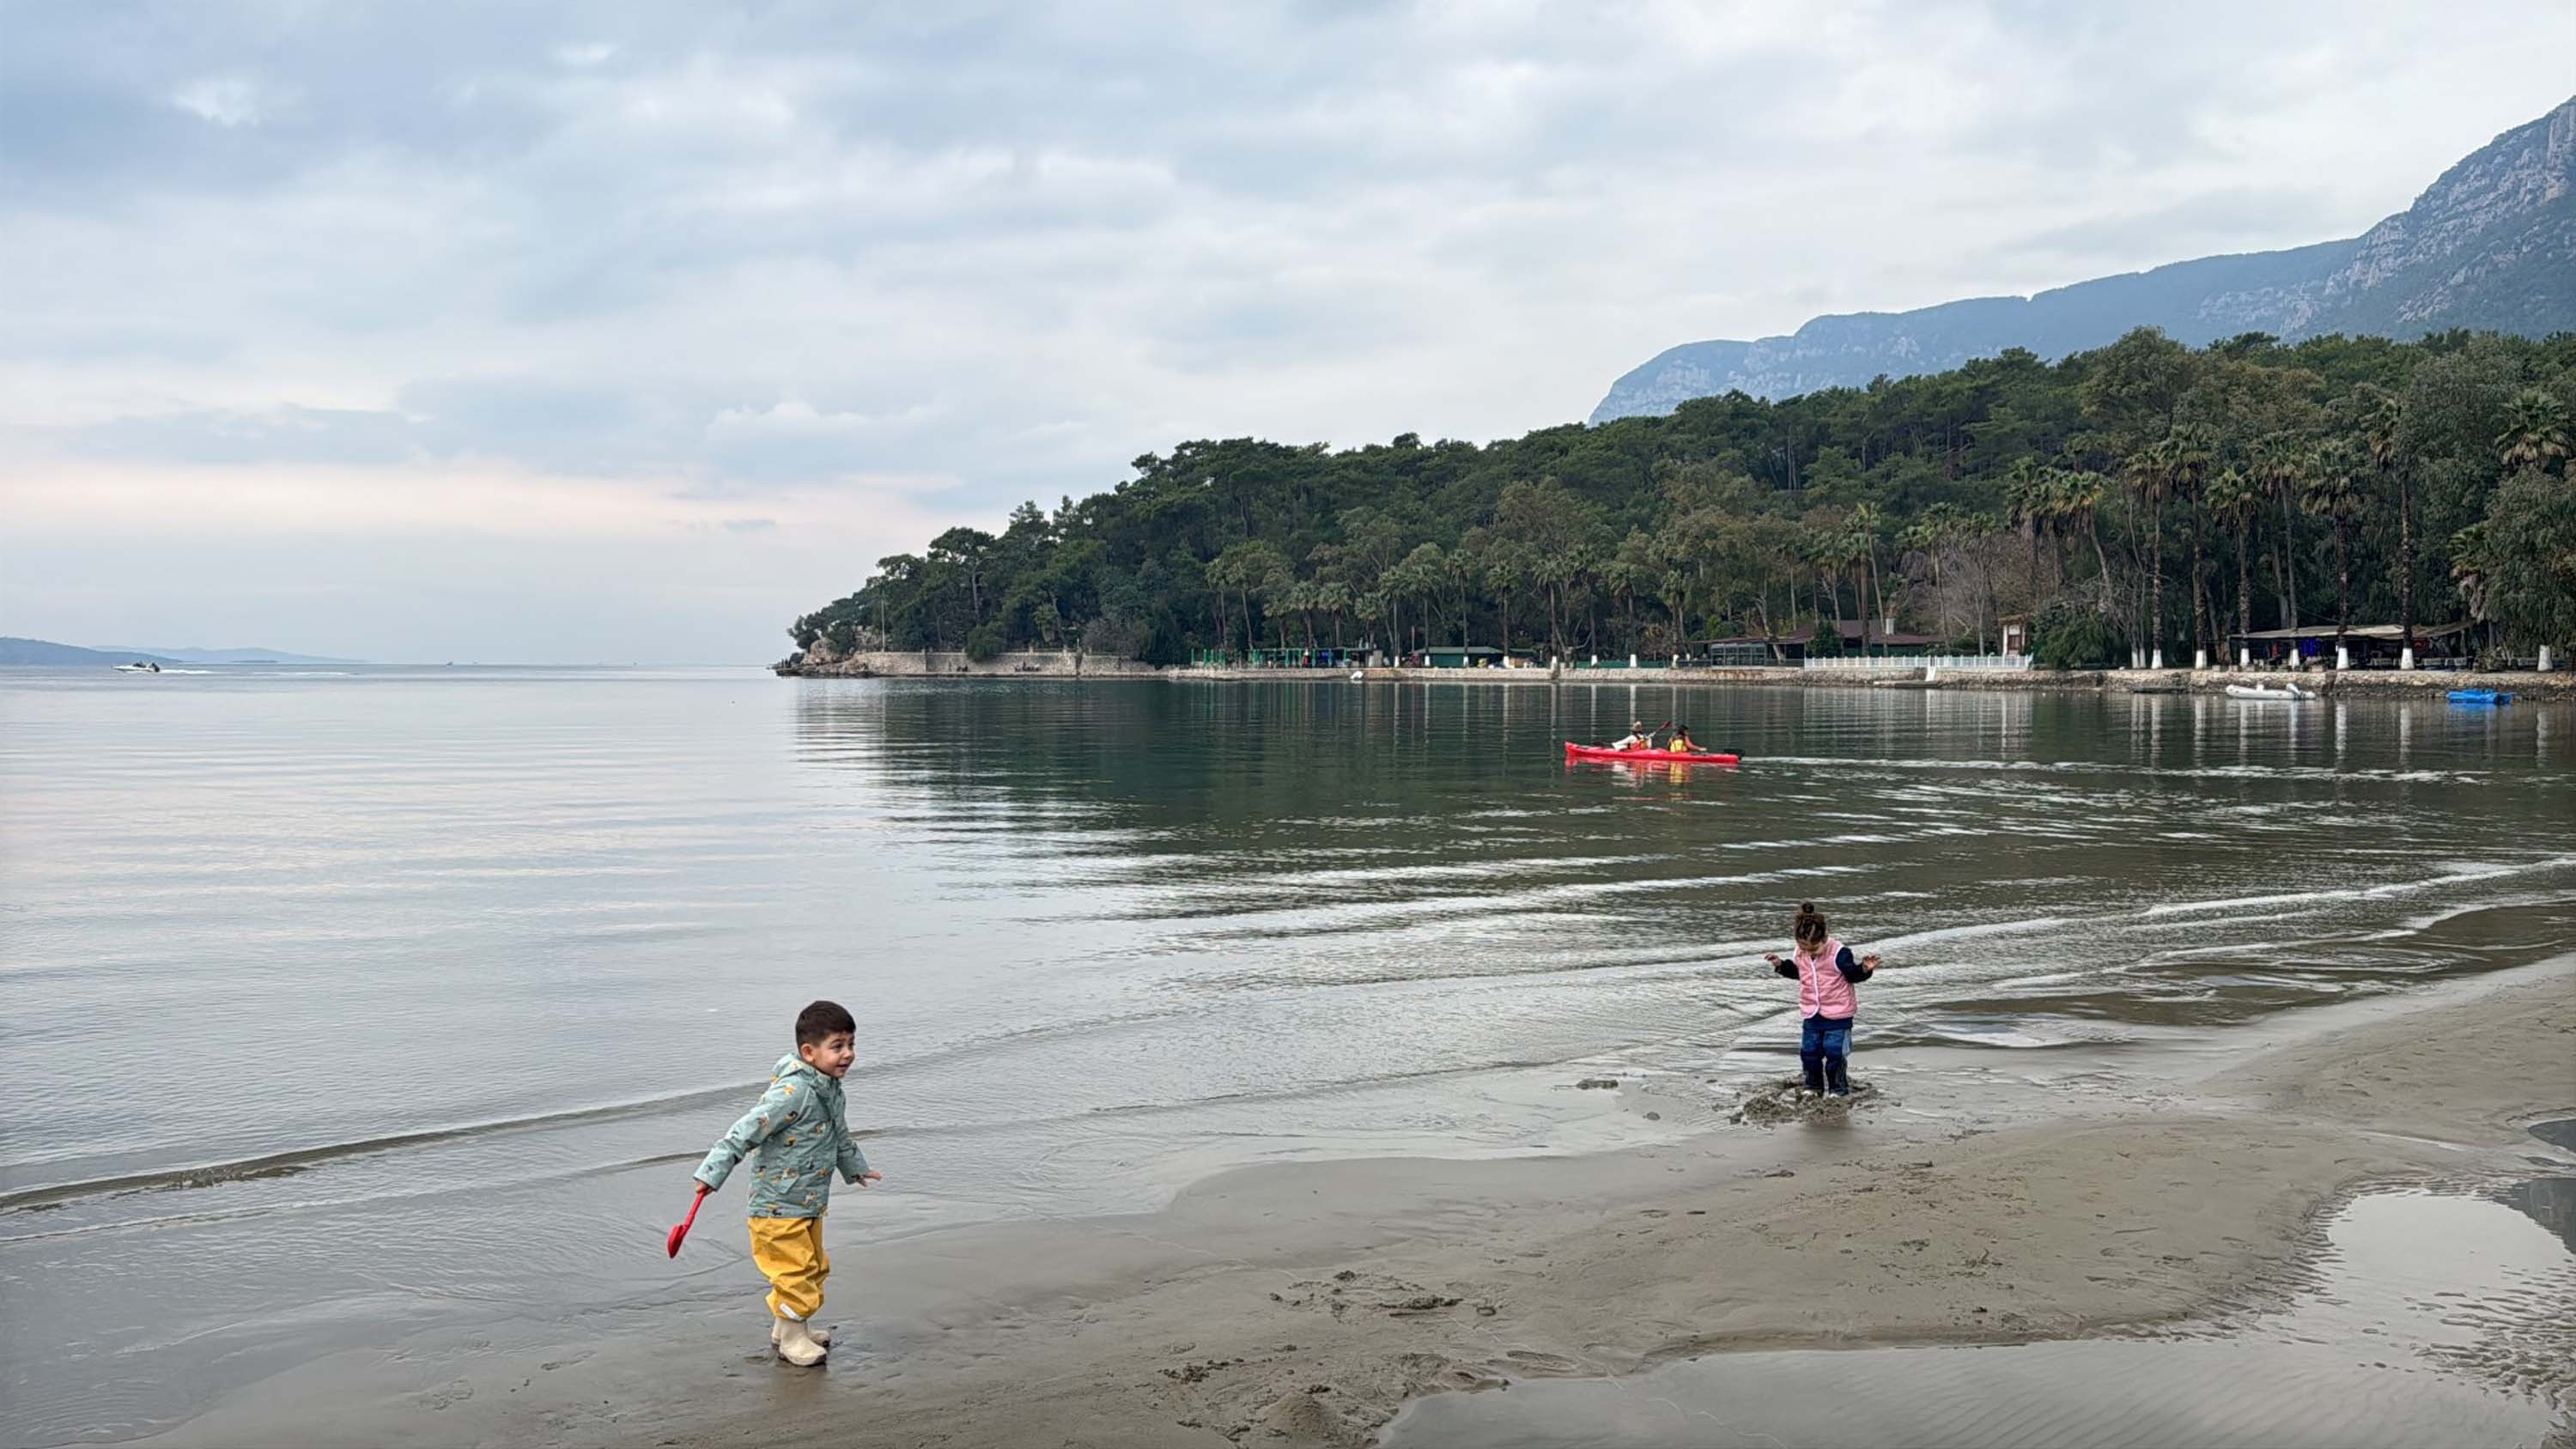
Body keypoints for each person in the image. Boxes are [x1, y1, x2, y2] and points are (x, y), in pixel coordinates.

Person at [691, 1000, 882, 1366]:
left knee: (812, 1266)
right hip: (776, 1205)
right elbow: (745, 1131)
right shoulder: (793, 1092)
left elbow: (839, 1136)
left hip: (807, 1200)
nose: (848, 1055)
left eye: (851, 1045)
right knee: (794, 1271)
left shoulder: (829, 1089)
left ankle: (788, 1329)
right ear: (809, 1052)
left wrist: (856, 1168)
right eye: (837, 1046)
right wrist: (711, 1173)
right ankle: (793, 1340)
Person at [1763, 902, 1884, 1096]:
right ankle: (1813, 1086)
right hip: (1812, 1012)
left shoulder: (1839, 953)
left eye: (1814, 949)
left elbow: (1852, 975)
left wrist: (1864, 968)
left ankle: (1838, 1088)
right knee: (1809, 1052)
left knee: (1835, 1052)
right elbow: (1800, 973)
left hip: (1839, 1014)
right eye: (1804, 949)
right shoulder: (1801, 952)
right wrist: (1780, 965)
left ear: (1824, 937)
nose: (1809, 953)